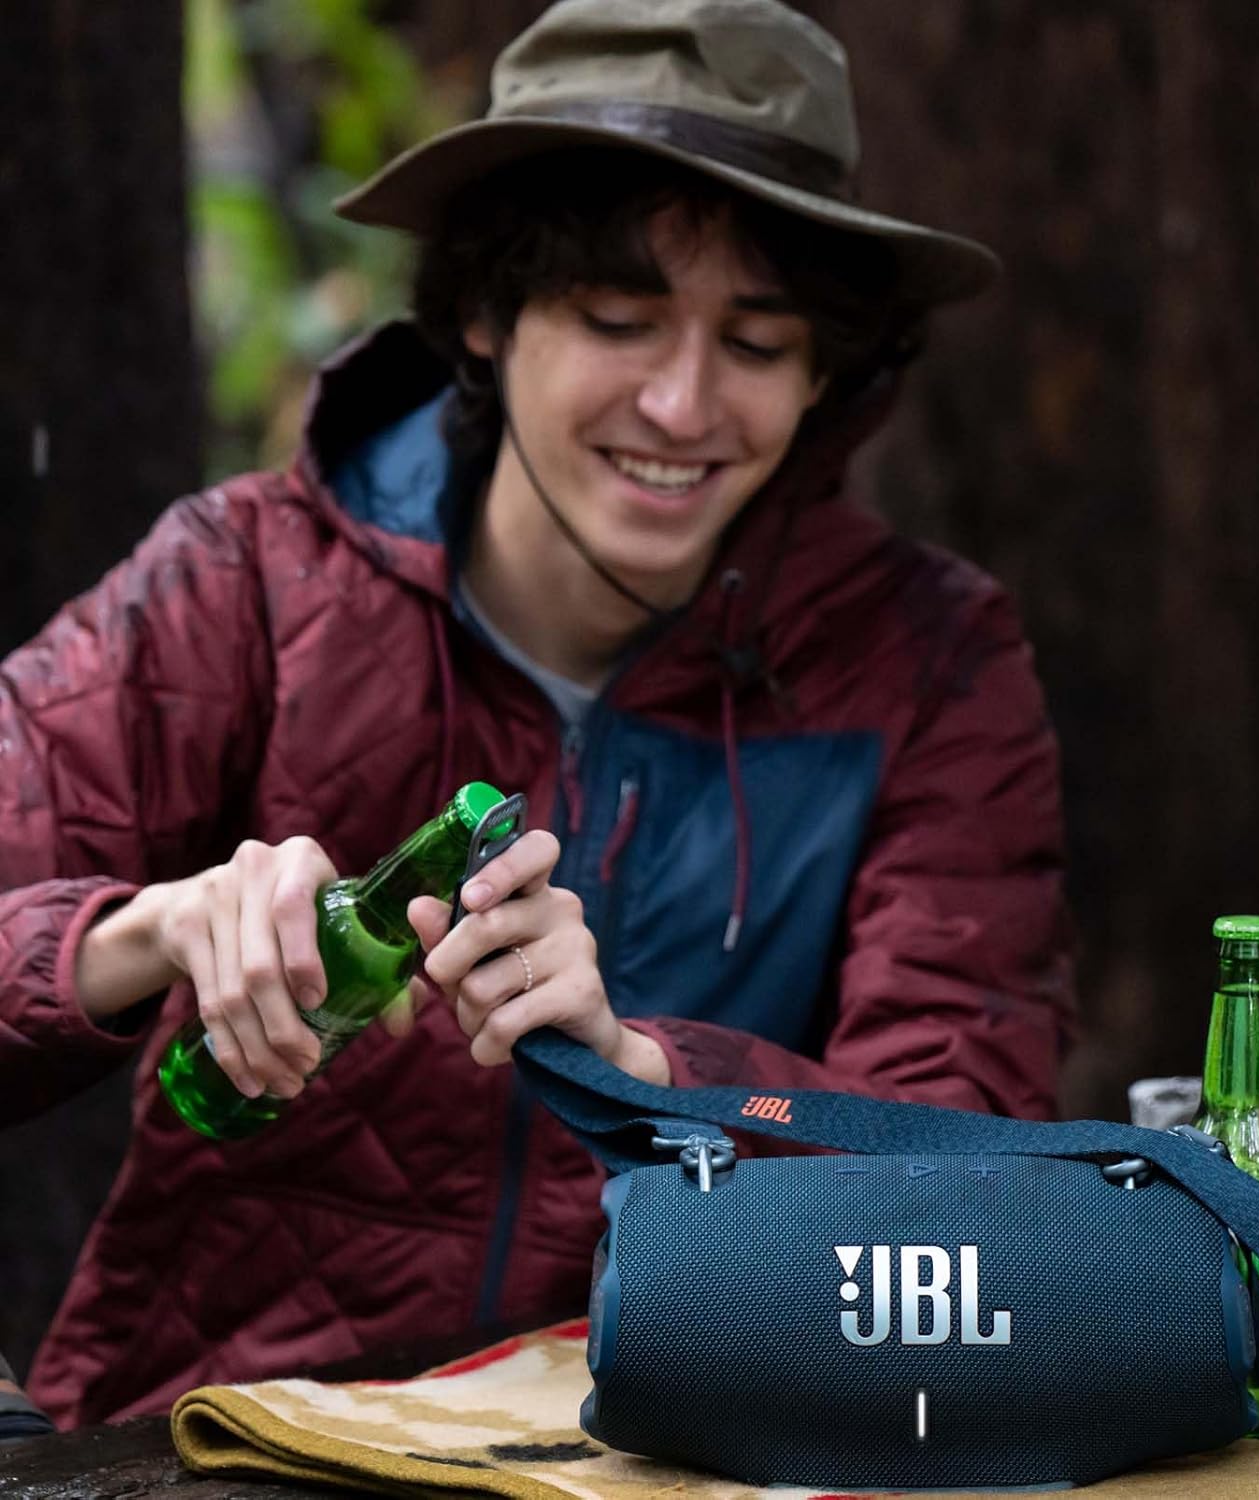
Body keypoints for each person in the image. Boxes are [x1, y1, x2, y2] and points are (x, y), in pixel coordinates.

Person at [0, 0, 1075, 1427]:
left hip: (694, 1440)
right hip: (219, 1437)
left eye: (759, 344)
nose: (682, 404)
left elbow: (968, 1146)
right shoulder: (247, 580)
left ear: (828, 375)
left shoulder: (928, 658)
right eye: (617, 322)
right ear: (485, 316)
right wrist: (140, 935)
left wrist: (647, 1076)